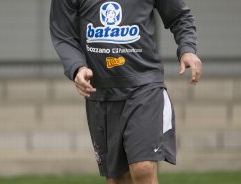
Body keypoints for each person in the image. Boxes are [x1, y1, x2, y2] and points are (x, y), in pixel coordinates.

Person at [50, 0, 202, 183]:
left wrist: (187, 49)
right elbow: (63, 33)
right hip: (101, 93)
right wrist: (76, 67)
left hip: (144, 86)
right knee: (117, 179)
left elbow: (179, 16)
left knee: (143, 168)